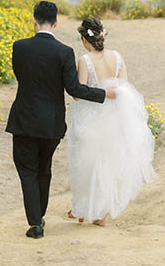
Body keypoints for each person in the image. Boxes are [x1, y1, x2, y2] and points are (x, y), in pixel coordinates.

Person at [6, 1, 117, 239]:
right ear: (56, 23)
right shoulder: (65, 52)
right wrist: (102, 94)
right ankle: (40, 216)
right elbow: (74, 88)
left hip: (24, 120)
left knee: (27, 171)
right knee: (44, 170)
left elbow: (19, 76)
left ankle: (36, 223)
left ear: (34, 21)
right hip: (52, 123)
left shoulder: (19, 47)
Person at [66, 17, 156, 227]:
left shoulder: (85, 60)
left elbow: (79, 94)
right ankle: (100, 215)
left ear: (84, 39)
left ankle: (83, 211)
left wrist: (96, 92)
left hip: (89, 119)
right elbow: (123, 89)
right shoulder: (117, 57)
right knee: (105, 164)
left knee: (86, 163)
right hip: (112, 119)